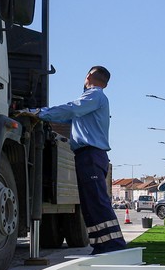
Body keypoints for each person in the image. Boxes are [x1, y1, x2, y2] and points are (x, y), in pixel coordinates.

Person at [34, 66, 127, 255]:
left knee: (97, 202)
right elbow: (70, 118)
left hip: (91, 154)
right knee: (90, 203)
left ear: (88, 76)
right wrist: (48, 116)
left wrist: (38, 113)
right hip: (90, 155)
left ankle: (114, 245)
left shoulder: (94, 95)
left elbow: (72, 109)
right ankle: (101, 244)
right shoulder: (95, 100)